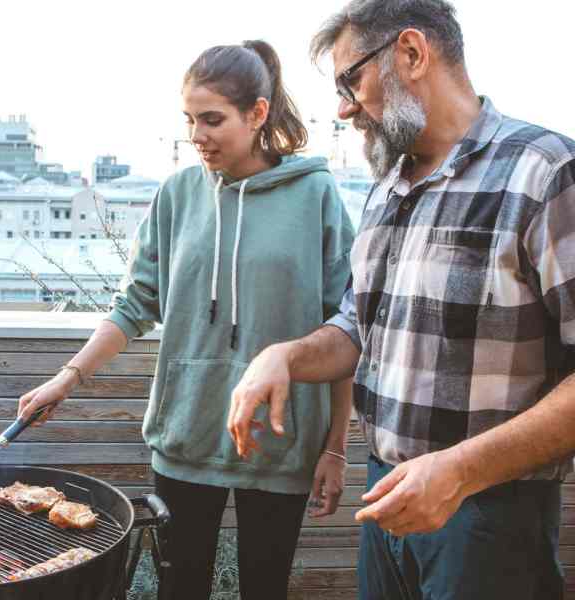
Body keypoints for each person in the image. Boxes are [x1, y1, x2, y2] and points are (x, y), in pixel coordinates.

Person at [227, 1, 575, 599]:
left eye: (350, 81)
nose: (343, 108)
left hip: (489, 517)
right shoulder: (387, 186)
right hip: (384, 496)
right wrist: (284, 356)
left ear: (412, 54)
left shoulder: (544, 173)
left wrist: (462, 471)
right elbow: (356, 327)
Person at [17, 40, 355, 600]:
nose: (196, 135)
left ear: (258, 114)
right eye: (189, 119)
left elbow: (344, 326)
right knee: (179, 590)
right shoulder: (176, 194)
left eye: (212, 119)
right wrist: (67, 378)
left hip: (281, 440)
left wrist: (336, 447)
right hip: (185, 434)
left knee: (264, 590)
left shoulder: (315, 193)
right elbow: (135, 304)